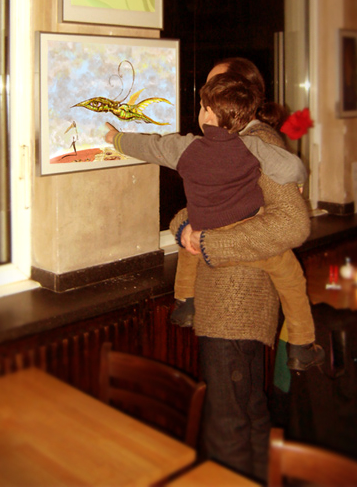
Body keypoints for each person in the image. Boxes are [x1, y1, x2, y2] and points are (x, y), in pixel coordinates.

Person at [119, 56, 311, 483]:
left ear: (241, 95)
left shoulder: (258, 143)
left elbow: (292, 223)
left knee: (228, 424)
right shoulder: (228, 144)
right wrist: (185, 227)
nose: (205, 99)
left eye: (215, 88)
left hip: (236, 304)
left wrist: (206, 241)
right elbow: (212, 211)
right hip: (228, 298)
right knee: (247, 411)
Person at [105, 71, 323, 374]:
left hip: (204, 230)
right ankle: (301, 346)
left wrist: (114, 138)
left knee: (189, 245)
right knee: (291, 278)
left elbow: (149, 147)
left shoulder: (187, 148)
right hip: (242, 231)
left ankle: (185, 303)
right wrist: (298, 181)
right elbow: (291, 167)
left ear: (208, 113)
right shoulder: (253, 147)